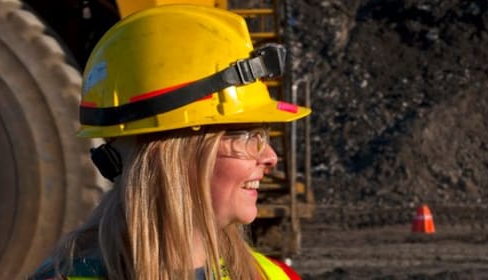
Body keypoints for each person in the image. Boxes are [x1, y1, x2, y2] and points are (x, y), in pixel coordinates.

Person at [29, 4, 311, 280]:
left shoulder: (273, 276)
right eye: (249, 137)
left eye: (263, 134)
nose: (271, 157)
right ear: (172, 153)